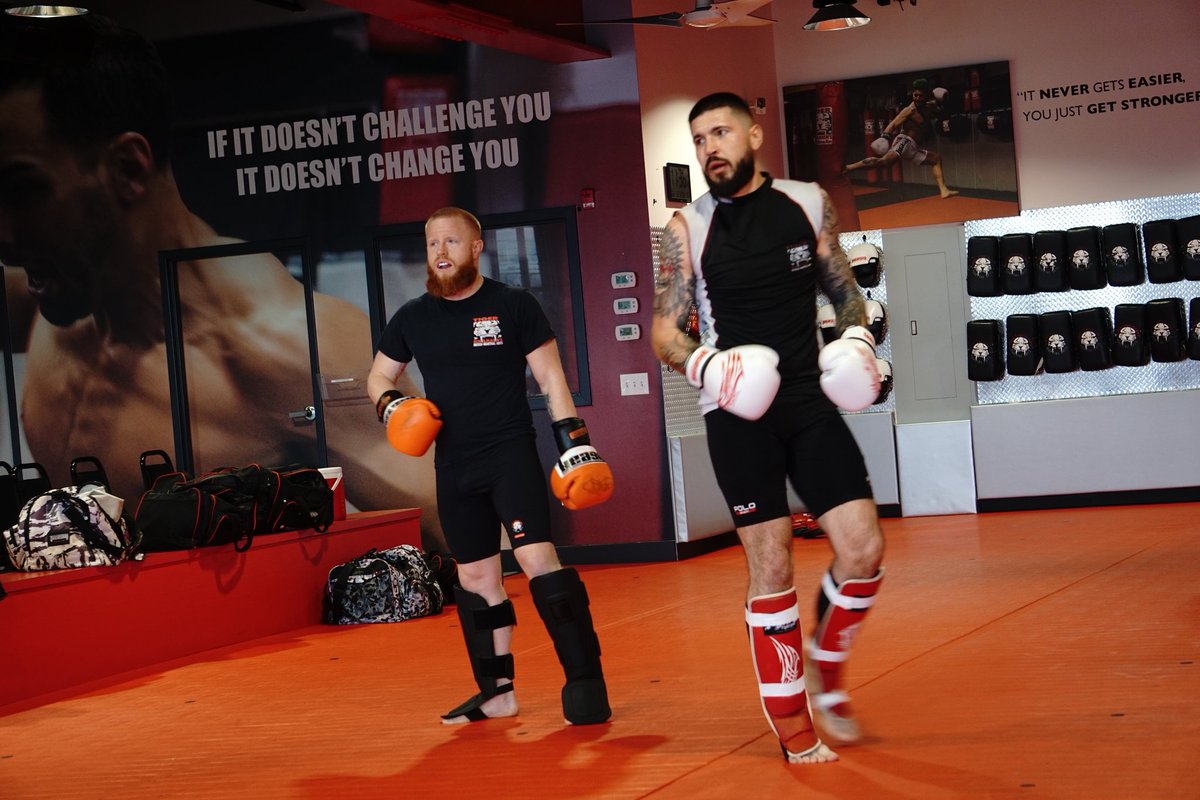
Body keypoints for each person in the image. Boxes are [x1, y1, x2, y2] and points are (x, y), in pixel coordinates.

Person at [0, 13, 443, 545]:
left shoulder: (286, 347)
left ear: (128, 169)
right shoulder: (48, 288)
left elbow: (470, 541)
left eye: (23, 190)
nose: (5, 232)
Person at [651, 92, 886, 764]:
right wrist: (704, 364)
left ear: (754, 134)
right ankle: (792, 726)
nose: (709, 150)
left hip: (807, 401)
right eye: (698, 140)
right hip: (734, 411)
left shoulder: (807, 202)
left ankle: (826, 662)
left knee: (864, 549)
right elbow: (665, 329)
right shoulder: (686, 229)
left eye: (720, 133)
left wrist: (859, 338)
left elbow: (844, 293)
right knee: (771, 561)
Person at [368, 206, 614, 726]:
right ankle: (497, 693)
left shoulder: (513, 305)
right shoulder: (412, 316)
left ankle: (585, 678)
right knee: (476, 575)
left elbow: (551, 379)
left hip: (509, 455)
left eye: (451, 242)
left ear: (476, 248)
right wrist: (392, 406)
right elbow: (378, 377)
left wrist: (573, 442)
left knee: (535, 560)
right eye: (432, 243)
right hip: (453, 463)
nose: (440, 252)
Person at [844, 78, 959, 199]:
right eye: (915, 95)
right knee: (884, 162)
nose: (917, 98)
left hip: (913, 148)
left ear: (926, 95)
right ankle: (849, 167)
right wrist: (885, 136)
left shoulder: (930, 106)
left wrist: (943, 102)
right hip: (905, 141)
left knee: (935, 159)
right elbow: (893, 124)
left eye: (921, 95)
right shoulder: (909, 110)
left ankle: (944, 191)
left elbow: (940, 112)